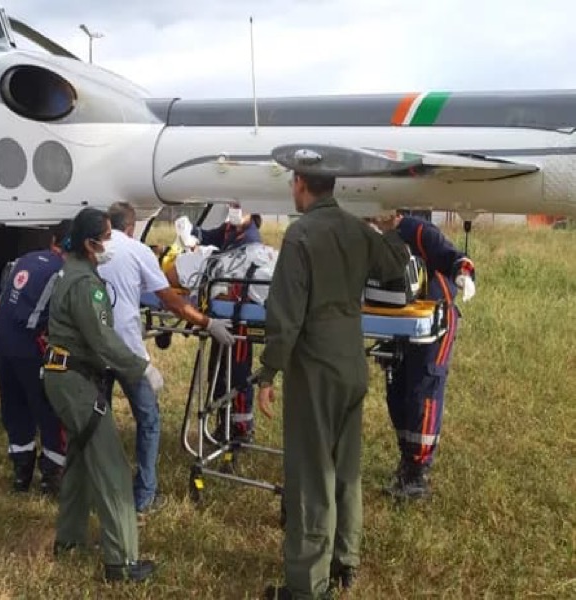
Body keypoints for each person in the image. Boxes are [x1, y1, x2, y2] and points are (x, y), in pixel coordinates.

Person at [257, 160, 410, 599]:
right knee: (346, 466)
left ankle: (307, 585)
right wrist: (391, 227)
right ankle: (346, 561)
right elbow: (396, 267)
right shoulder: (359, 229)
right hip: (351, 358)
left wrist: (269, 371)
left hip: (316, 363)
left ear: (301, 184)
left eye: (292, 182)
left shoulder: (301, 234)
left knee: (311, 471)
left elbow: (285, 314)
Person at [42, 207, 161, 583]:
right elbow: (103, 340)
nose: (110, 243)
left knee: (78, 461)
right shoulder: (85, 285)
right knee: (112, 469)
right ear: (89, 242)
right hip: (75, 382)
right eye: (106, 237)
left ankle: (71, 539)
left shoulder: (77, 273)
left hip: (66, 376)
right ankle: (122, 562)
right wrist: (141, 368)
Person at [98, 201, 235, 515]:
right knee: (148, 420)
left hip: (95, 346)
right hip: (128, 352)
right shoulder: (137, 251)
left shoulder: (94, 248)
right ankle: (144, 497)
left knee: (97, 420)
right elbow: (171, 301)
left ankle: (99, 486)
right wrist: (207, 321)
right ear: (131, 227)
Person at [382, 212, 476, 500]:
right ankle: (407, 460)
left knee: (424, 390)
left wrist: (464, 276)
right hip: (396, 321)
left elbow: (455, 258)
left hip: (434, 321)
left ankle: (418, 472)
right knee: (397, 391)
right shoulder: (371, 234)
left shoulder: (418, 231)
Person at [0, 219, 72, 495]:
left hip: (1, 344)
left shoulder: (25, 260)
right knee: (49, 410)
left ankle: (21, 473)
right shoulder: (63, 272)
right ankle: (51, 476)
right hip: (30, 348)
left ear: (53, 241)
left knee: (14, 408)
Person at [186, 202, 263, 443]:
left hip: (238, 315)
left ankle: (241, 429)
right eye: (232, 205)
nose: (234, 210)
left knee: (237, 374)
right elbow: (210, 236)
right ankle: (224, 422)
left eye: (239, 206)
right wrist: (192, 233)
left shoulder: (250, 239)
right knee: (218, 373)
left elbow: (228, 260)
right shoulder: (230, 229)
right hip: (222, 313)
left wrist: (206, 254)